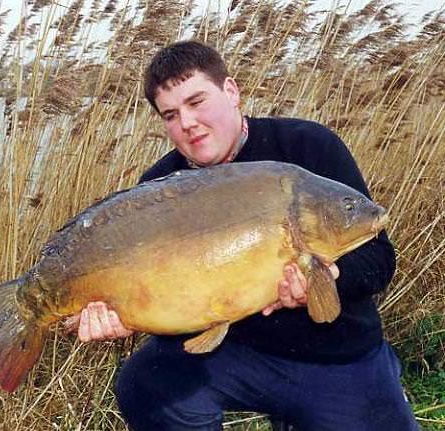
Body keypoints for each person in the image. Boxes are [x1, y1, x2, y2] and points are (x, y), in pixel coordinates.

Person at [65, 41, 420, 431]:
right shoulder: (160, 191)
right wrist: (125, 315)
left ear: (231, 92)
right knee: (144, 383)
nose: (187, 123)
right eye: (171, 114)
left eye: (196, 101)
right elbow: (170, 296)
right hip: (232, 356)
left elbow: (380, 261)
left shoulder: (308, 146)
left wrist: (330, 277)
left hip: (336, 360)